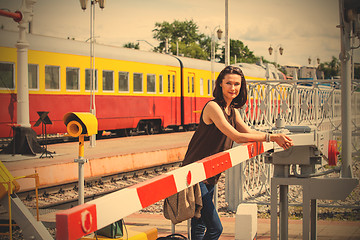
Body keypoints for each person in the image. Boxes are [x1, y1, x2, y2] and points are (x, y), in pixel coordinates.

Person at [181, 65, 293, 240]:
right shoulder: (213, 107)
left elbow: (248, 131)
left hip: (209, 172)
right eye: (228, 83)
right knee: (215, 229)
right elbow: (237, 136)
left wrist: (274, 135)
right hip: (195, 173)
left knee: (199, 224)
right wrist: (271, 138)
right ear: (220, 84)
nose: (233, 88)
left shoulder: (231, 110)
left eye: (237, 84)